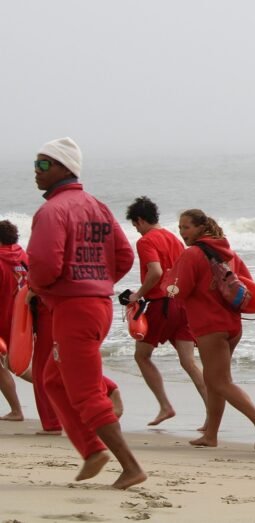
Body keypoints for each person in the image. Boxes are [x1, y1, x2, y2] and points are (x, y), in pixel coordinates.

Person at [27, 137, 146, 489]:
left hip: (72, 309)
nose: (36, 170)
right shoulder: (97, 206)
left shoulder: (52, 211)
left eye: (45, 164)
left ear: (65, 168)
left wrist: (37, 287)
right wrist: (97, 280)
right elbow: (124, 256)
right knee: (52, 378)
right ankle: (93, 450)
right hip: (97, 305)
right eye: (36, 162)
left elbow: (45, 265)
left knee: (83, 393)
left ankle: (130, 466)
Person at [165, 209, 255, 449]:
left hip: (210, 325)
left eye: (187, 227)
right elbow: (247, 284)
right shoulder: (229, 253)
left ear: (201, 228)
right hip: (232, 325)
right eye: (180, 228)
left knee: (219, 381)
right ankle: (211, 435)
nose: (182, 233)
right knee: (216, 380)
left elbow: (177, 292)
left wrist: (165, 284)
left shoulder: (192, 254)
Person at [125, 197, 208, 427]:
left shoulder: (146, 241)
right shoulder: (174, 237)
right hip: (182, 303)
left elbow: (155, 271)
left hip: (162, 304)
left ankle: (165, 406)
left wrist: (138, 294)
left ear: (140, 220)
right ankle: (213, 412)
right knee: (189, 362)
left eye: (135, 225)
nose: (137, 231)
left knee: (141, 355)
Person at [0, 219, 28, 421]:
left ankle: (17, 411)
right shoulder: (23, 256)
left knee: (9, 366)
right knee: (16, 365)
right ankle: (58, 389)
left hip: (2, 319)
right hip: (22, 321)